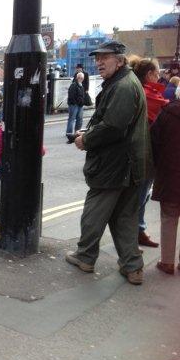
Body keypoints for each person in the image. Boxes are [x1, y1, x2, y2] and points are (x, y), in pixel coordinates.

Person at [66, 41, 152, 285]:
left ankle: (85, 256)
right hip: (129, 163)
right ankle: (132, 267)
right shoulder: (124, 82)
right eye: (97, 58)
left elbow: (113, 126)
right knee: (124, 217)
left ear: (120, 60)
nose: (99, 62)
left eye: (105, 57)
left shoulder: (123, 86)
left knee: (94, 211)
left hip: (116, 164)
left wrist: (87, 139)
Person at [130, 56, 168, 249]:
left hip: (149, 151)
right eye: (157, 73)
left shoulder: (149, 92)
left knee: (142, 194)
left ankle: (138, 230)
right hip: (146, 152)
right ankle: (132, 235)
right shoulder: (148, 95)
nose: (160, 77)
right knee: (140, 194)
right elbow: (166, 110)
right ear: (149, 75)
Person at [150, 98, 180, 274]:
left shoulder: (168, 113)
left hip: (171, 175)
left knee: (169, 217)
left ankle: (167, 262)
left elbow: (153, 141)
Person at [66, 72, 86, 143]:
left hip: (80, 105)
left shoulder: (81, 85)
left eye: (82, 78)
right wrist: (75, 103)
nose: (81, 79)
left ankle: (77, 133)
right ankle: (69, 133)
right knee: (71, 119)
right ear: (77, 78)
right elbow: (71, 95)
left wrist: (82, 103)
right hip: (74, 105)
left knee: (79, 119)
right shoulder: (73, 85)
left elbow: (82, 95)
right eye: (80, 78)